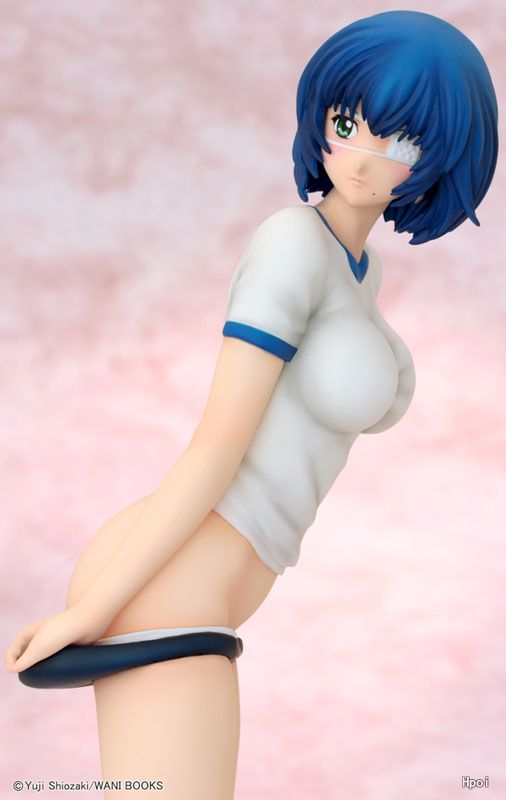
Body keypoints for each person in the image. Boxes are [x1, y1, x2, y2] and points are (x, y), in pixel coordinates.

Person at [5, 10, 498, 799]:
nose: (363, 158)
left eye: (402, 142)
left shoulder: (359, 271)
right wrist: (92, 612)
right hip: (168, 581)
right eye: (348, 124)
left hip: (217, 587)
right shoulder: (290, 243)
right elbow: (216, 444)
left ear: (443, 156)